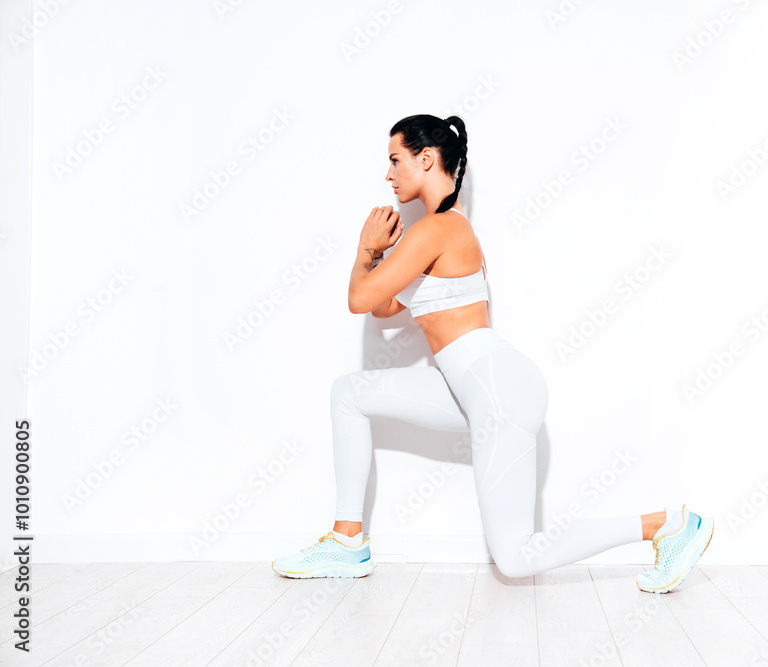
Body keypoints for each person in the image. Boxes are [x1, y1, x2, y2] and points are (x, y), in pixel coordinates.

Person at [271, 114, 713, 593]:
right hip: (472, 386)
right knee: (349, 393)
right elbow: (382, 307)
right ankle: (347, 541)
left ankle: (668, 526)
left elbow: (359, 299)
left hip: (494, 387)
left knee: (516, 558)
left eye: (395, 159)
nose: (388, 173)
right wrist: (378, 257)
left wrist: (365, 248)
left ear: (425, 159)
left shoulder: (437, 230)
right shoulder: (437, 234)